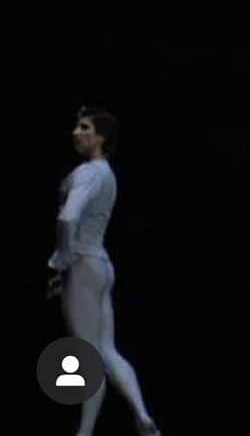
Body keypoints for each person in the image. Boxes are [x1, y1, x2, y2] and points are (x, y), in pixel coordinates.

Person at [47, 107, 162, 436]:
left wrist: (62, 259)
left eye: (84, 127)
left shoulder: (90, 173)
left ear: (101, 138)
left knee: (89, 354)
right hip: (100, 265)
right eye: (76, 126)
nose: (76, 132)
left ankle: (85, 432)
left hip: (83, 264)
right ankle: (142, 415)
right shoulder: (105, 174)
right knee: (107, 349)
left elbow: (68, 217)